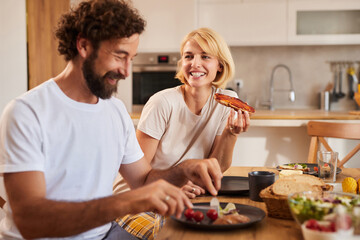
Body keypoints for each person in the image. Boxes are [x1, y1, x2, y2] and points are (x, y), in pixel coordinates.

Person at [0, 1, 223, 239]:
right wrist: (126, 202)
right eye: (120, 56)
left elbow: (143, 181)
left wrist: (183, 170)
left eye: (131, 58)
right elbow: (30, 221)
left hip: (105, 233)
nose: (126, 71)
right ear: (84, 45)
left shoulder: (115, 111)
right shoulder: (27, 113)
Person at [116, 27, 251, 239]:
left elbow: (218, 167)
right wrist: (177, 184)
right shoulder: (162, 103)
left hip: (178, 197)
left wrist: (230, 133)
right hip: (135, 202)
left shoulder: (226, 101)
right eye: (189, 56)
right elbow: (139, 179)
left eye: (205, 56)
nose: (195, 64)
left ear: (220, 65)